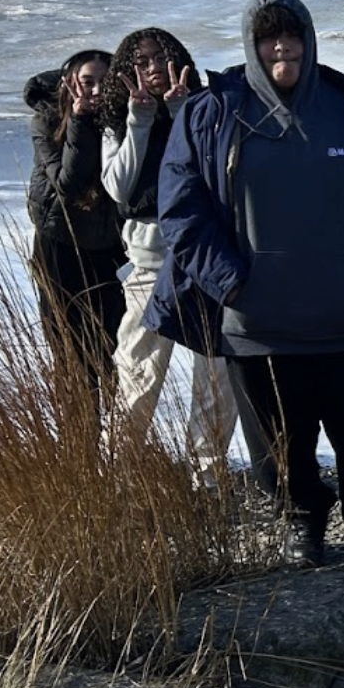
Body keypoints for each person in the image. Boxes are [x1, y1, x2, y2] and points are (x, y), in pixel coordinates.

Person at [151, 0, 344, 567]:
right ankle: (303, 525)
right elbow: (180, 209)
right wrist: (229, 283)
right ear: (252, 46)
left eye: (292, 34)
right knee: (281, 446)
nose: (282, 46)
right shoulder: (212, 112)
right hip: (257, 324)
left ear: (309, 37)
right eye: (269, 36)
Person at [99, 26, 246, 470]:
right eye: (140, 62)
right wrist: (139, 122)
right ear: (126, 69)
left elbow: (218, 175)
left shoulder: (204, 108)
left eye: (160, 58)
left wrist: (183, 114)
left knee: (216, 372)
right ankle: (117, 469)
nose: (152, 69)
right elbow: (119, 189)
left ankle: (207, 468)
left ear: (177, 60)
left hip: (203, 257)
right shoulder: (116, 119)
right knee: (138, 369)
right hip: (147, 262)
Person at [24, 49, 124, 428]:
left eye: (105, 81)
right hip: (59, 246)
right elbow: (68, 183)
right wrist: (80, 120)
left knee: (112, 350)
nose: (96, 90)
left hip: (110, 248)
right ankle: (79, 443)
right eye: (87, 82)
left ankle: (115, 445)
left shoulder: (123, 117)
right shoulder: (46, 121)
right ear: (69, 83)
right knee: (69, 352)